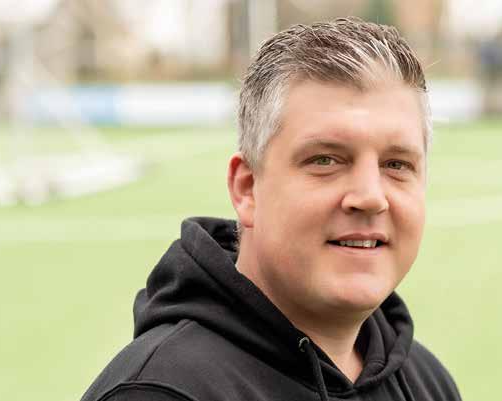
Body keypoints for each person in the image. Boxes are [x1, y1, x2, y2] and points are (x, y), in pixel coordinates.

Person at [81, 17, 462, 401]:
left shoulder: (427, 382)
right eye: (325, 160)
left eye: (397, 164)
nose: (370, 197)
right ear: (247, 189)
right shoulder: (159, 392)